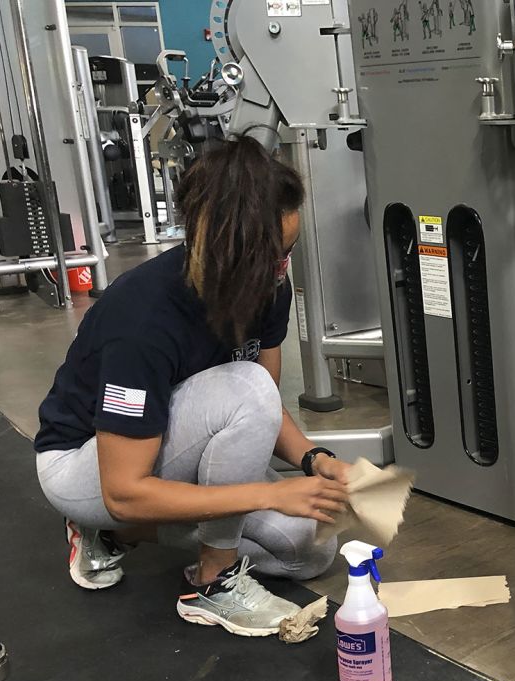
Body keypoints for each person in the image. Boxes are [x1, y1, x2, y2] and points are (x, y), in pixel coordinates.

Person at [34, 137, 356, 637]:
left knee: (310, 550)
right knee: (245, 395)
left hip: (170, 447)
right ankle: (215, 580)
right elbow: (123, 490)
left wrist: (317, 460)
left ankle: (124, 536)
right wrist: (268, 496)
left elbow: (264, 406)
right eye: (274, 257)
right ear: (231, 254)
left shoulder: (268, 288)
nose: (283, 269)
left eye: (288, 252)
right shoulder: (141, 319)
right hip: (87, 467)